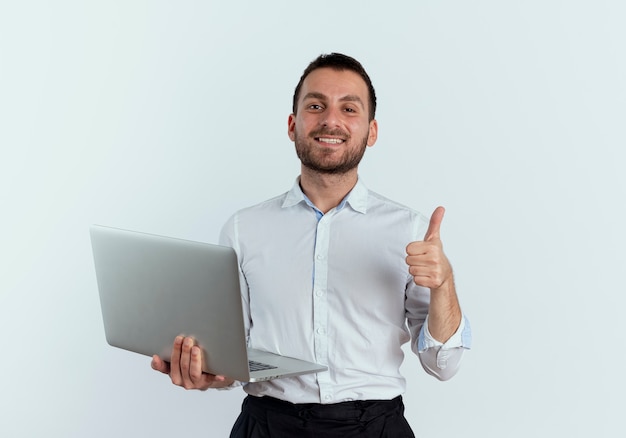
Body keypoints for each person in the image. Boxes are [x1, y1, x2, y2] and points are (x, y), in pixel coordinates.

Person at [151, 53, 471, 437]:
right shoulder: (242, 229)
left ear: (371, 131)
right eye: (316, 105)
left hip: (375, 428)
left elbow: (443, 364)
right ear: (293, 125)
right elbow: (234, 363)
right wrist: (208, 374)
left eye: (349, 108)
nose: (331, 120)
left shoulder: (411, 230)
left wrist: (444, 284)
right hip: (266, 426)